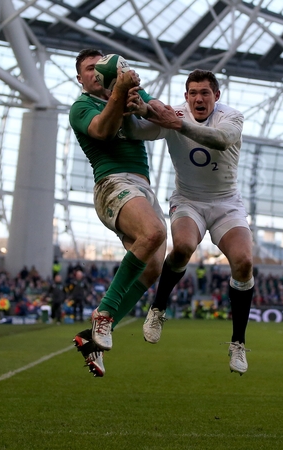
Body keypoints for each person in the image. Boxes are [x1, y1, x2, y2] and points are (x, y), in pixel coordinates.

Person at [124, 69, 254, 374]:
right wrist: (130, 107)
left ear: (216, 96)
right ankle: (158, 308)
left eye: (205, 93)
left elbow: (221, 140)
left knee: (244, 262)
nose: (199, 98)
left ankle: (238, 343)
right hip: (188, 200)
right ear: (186, 96)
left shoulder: (231, 117)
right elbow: (135, 131)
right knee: (182, 246)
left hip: (226, 204)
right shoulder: (174, 115)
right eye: (193, 93)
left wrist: (176, 123)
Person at [68, 48, 168, 377]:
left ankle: (91, 340)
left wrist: (139, 97)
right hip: (112, 183)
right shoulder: (81, 106)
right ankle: (104, 314)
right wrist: (121, 92)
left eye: (100, 66)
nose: (95, 72)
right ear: (79, 78)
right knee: (153, 233)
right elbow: (102, 131)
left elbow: (160, 113)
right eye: (88, 69)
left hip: (143, 187)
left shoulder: (125, 91)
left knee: (153, 269)